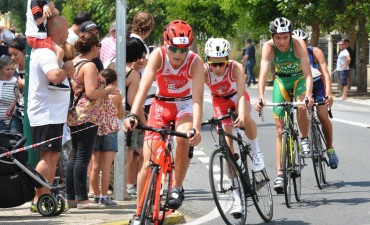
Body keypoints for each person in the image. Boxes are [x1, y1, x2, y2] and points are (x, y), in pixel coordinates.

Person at [124, 20, 204, 225]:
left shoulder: (195, 62)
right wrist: (133, 114)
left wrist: (196, 127)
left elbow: (197, 100)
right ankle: (139, 211)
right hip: (161, 105)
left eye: (182, 49)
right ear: (165, 44)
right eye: (173, 49)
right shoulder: (158, 56)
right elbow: (143, 88)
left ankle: (177, 186)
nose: (177, 54)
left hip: (184, 106)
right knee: (148, 162)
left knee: (185, 136)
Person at [204, 38, 264, 216]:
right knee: (227, 146)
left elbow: (242, 96)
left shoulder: (236, 67)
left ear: (227, 59)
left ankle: (256, 151)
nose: (217, 68)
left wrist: (242, 113)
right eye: (213, 64)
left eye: (221, 64)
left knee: (245, 119)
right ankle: (237, 197)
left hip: (237, 97)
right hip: (219, 101)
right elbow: (195, 95)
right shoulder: (204, 70)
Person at [254, 17, 313, 192]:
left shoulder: (299, 44)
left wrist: (309, 95)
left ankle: (303, 138)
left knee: (302, 106)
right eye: (278, 37)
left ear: (290, 36)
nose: (281, 41)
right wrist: (260, 97)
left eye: (285, 37)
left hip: (299, 79)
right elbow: (263, 73)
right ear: (272, 37)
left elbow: (308, 73)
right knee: (280, 130)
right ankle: (280, 175)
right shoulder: (268, 47)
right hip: (281, 82)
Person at [27, 16, 74, 212]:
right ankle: (36, 197)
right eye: (67, 31)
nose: (69, 35)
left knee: (52, 157)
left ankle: (43, 197)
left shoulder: (49, 51)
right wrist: (66, 70)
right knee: (48, 159)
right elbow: (53, 76)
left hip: (52, 114)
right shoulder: (45, 52)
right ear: (60, 33)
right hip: (46, 114)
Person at [65, 31, 115, 209]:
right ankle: (82, 198)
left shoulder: (74, 63)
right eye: (99, 47)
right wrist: (107, 90)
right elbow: (92, 93)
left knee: (75, 155)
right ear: (93, 47)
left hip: (75, 114)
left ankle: (71, 196)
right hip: (88, 115)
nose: (99, 50)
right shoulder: (90, 66)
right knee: (83, 157)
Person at [105, 37, 147, 197]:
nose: (142, 59)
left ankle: (109, 187)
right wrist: (144, 121)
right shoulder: (134, 74)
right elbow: (132, 101)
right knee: (128, 154)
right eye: (141, 56)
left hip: (108, 112)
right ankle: (124, 188)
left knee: (109, 155)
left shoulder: (112, 66)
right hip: (126, 116)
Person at [293, 30, 339, 169]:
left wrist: (329, 93)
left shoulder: (315, 52)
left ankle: (330, 149)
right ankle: (304, 138)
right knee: (301, 107)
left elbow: (325, 73)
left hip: (317, 85)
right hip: (301, 86)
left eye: (304, 42)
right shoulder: (290, 55)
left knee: (323, 116)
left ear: (307, 42)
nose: (301, 45)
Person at [90, 68, 123, 206]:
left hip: (96, 131)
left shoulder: (98, 94)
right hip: (110, 132)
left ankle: (95, 195)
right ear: (115, 82)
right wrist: (120, 100)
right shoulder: (116, 96)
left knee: (95, 166)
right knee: (106, 167)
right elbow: (120, 115)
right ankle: (104, 196)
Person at [25, 0, 68, 91]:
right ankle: (54, 81)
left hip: (40, 37)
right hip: (36, 38)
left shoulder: (42, 2)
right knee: (60, 52)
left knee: (59, 51)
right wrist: (49, 9)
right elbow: (39, 20)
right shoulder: (35, 1)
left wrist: (47, 6)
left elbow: (56, 12)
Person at [8, 35, 26, 134]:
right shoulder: (15, 69)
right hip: (18, 112)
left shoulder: (32, 69)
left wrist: (26, 86)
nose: (12, 58)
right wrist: (13, 105)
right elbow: (18, 92)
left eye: (15, 54)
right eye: (10, 54)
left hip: (31, 114)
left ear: (24, 52)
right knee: (14, 142)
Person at [0, 56, 16, 131]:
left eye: (12, 69)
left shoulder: (16, 83)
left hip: (10, 125)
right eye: (7, 69)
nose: (10, 72)